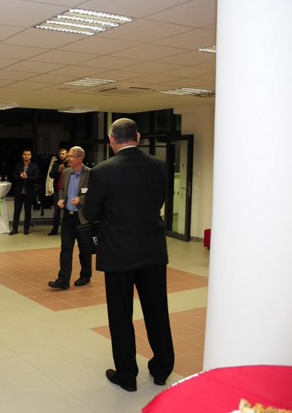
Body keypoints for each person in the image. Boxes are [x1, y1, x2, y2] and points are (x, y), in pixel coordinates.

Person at [83, 118, 174, 392]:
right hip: (153, 250)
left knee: (121, 316)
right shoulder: (159, 166)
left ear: (112, 140)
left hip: (118, 253)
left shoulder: (102, 171)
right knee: (157, 312)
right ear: (138, 136)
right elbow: (159, 201)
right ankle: (162, 370)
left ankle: (127, 375)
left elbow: (90, 212)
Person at [47, 146, 93, 290]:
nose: (68, 159)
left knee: (84, 250)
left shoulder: (90, 173)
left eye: (71, 156)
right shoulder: (66, 172)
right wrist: (61, 199)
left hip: (82, 218)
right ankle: (63, 279)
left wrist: (81, 199)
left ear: (80, 158)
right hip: (67, 216)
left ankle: (85, 276)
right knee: (66, 248)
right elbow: (62, 189)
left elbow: (94, 193)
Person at [9, 149, 40, 235]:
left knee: (28, 211)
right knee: (17, 211)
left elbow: (37, 178)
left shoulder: (34, 166)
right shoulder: (18, 165)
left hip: (29, 191)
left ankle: (26, 229)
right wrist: (20, 177)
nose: (26, 156)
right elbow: (13, 177)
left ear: (31, 156)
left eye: (28, 154)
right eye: (25, 154)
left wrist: (27, 177)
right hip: (19, 191)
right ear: (22, 156)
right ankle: (14, 229)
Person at [47, 148, 68, 236]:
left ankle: (66, 230)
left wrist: (66, 169)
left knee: (67, 211)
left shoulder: (70, 163)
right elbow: (51, 175)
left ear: (67, 154)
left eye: (63, 154)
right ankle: (54, 229)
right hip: (57, 190)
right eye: (60, 154)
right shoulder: (56, 163)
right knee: (56, 211)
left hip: (67, 190)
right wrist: (58, 170)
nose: (61, 155)